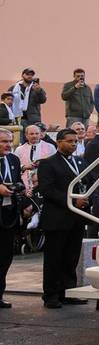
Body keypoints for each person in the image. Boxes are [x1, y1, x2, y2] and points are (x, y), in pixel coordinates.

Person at [37, 128, 90, 309]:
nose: (73, 145)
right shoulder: (48, 163)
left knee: (71, 257)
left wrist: (86, 198)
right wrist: (72, 200)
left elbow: (87, 182)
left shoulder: (80, 161)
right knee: (54, 258)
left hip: (76, 218)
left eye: (75, 142)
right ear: (59, 142)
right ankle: (51, 294)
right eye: (69, 141)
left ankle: (68, 291)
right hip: (57, 218)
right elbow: (47, 189)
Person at [0, 129, 21, 309]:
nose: (8, 145)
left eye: (9, 141)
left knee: (5, 256)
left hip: (8, 216)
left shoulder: (13, 159)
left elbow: (18, 180)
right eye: (3, 141)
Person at [14, 124, 54, 192]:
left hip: (45, 182)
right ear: (26, 135)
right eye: (31, 134)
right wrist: (24, 167)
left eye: (37, 133)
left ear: (40, 134)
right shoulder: (19, 149)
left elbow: (55, 164)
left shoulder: (50, 147)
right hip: (25, 184)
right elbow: (14, 166)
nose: (34, 136)